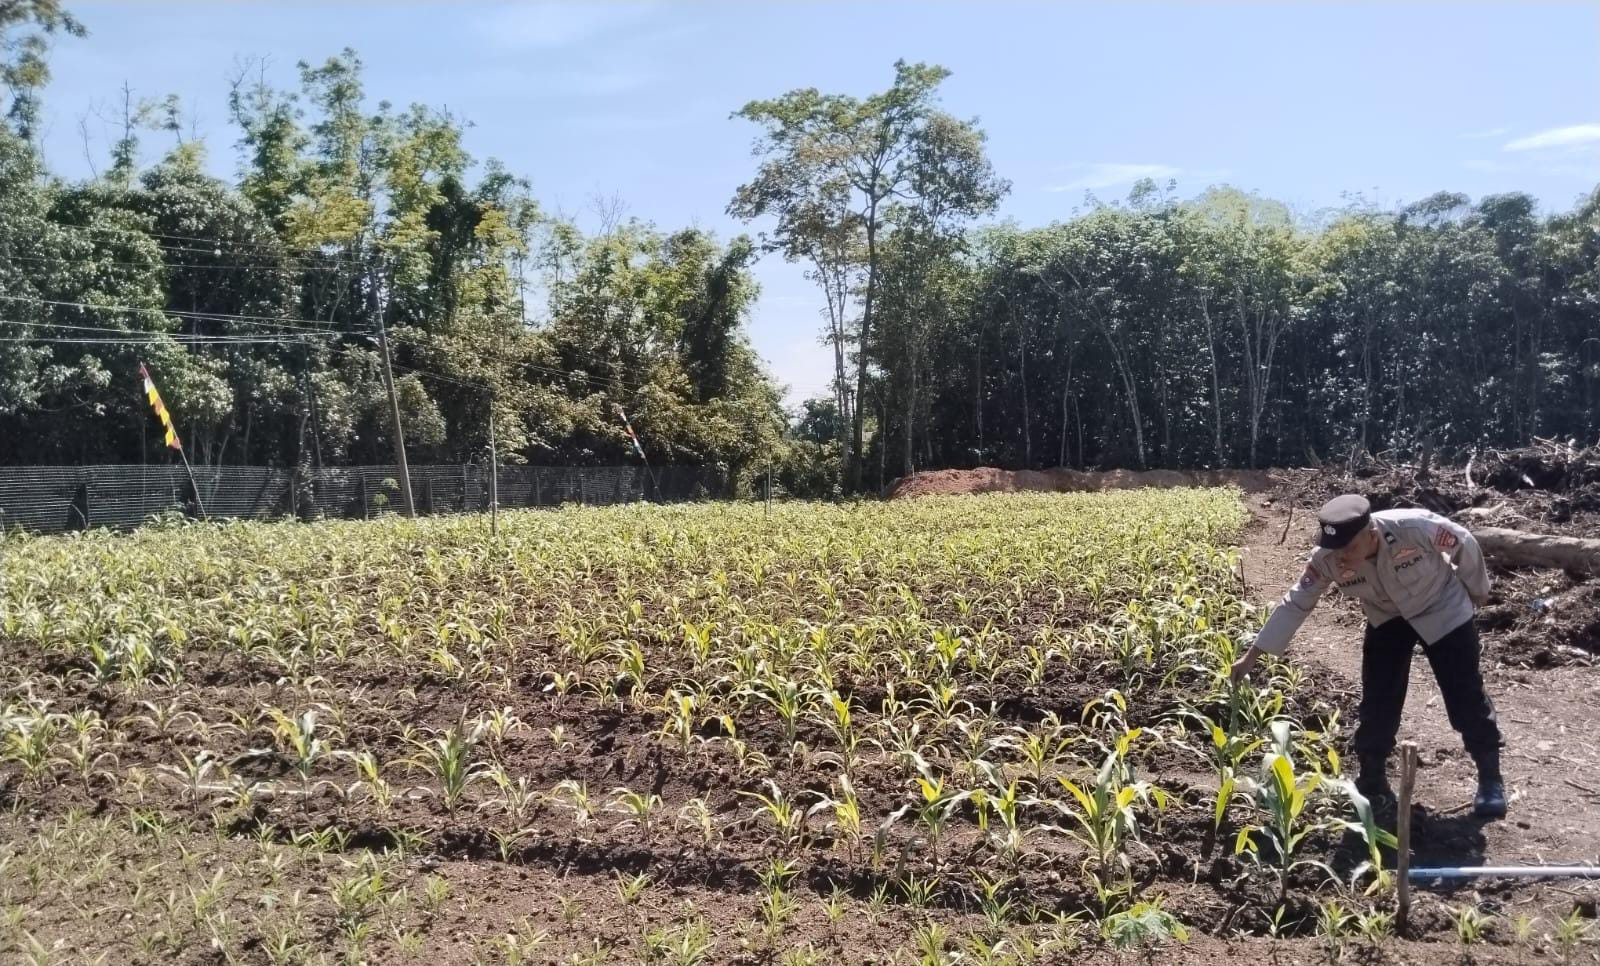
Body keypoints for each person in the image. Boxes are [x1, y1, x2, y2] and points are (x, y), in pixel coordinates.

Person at [1230, 494, 1506, 818]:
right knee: (1378, 699)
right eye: (1336, 549)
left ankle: (1490, 779)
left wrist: (1477, 593)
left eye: (1349, 549)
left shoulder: (1414, 528)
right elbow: (1296, 603)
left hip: (1442, 608)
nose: (1341, 558)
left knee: (1464, 695)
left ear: (1371, 533)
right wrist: (1251, 657)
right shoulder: (1327, 558)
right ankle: (1372, 780)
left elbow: (1464, 543)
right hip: (1386, 617)